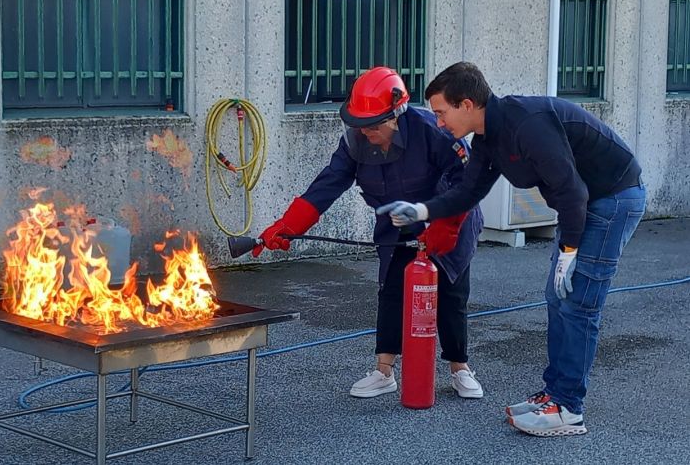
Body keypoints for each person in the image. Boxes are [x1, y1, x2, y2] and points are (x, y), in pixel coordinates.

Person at [382, 62, 645, 436]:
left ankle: (568, 408)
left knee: (579, 300)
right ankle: (555, 393)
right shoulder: (489, 139)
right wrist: (423, 210)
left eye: (441, 112)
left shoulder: (528, 125)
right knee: (558, 296)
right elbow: (468, 191)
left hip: (613, 198)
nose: (438, 123)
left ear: (467, 104)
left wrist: (569, 251)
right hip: (586, 205)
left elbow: (573, 192)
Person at [254, 67, 485, 400]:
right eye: (359, 125)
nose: (366, 133)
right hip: (399, 225)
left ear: (396, 114)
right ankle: (384, 371)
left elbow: (466, 181)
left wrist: (441, 224)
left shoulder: (433, 132)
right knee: (391, 289)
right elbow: (327, 184)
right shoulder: (354, 143)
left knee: (450, 292)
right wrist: (288, 226)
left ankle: (459, 368)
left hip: (450, 220)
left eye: (373, 125)